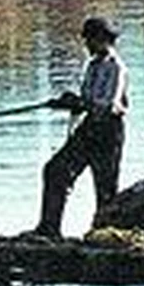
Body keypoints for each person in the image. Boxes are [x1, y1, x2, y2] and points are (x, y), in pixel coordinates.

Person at [33, 16, 129, 237]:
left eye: (89, 40)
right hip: (89, 128)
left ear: (103, 40)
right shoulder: (92, 66)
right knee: (55, 171)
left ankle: (104, 237)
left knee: (105, 190)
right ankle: (49, 229)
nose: (86, 44)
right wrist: (70, 102)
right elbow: (88, 100)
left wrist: (81, 103)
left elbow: (108, 104)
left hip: (108, 132)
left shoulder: (117, 68)